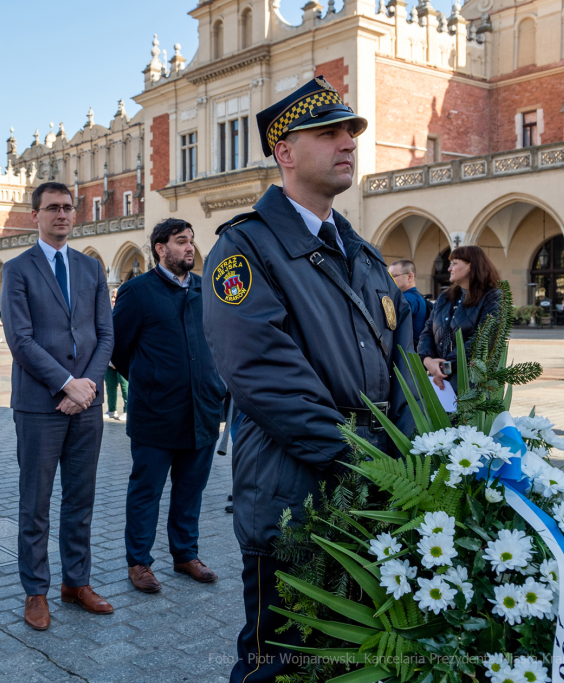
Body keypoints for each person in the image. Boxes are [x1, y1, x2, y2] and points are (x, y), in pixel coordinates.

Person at [202, 77, 416, 683]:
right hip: (296, 499)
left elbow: (403, 368)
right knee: (280, 659)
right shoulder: (245, 251)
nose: (348, 142)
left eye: (351, 131)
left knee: (349, 660)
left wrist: (405, 463)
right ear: (286, 152)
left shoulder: (365, 255)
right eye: (328, 132)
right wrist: (372, 465)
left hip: (372, 493)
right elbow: (264, 375)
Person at [1, 181, 114, 632]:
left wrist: (85, 388)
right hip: (39, 405)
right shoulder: (18, 269)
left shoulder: (91, 267)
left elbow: (106, 333)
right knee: (36, 503)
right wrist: (66, 384)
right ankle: (35, 591)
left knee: (81, 498)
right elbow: (20, 339)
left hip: (86, 404)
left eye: (68, 208)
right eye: (52, 208)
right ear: (36, 216)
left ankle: (76, 582)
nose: (62, 215)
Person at [112, 218, 227, 594]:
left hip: (203, 410)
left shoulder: (205, 289)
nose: (190, 247)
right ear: (161, 249)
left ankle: (185, 555)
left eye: (192, 241)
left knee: (190, 489)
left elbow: (218, 340)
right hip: (156, 413)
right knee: (146, 491)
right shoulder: (137, 291)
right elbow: (119, 349)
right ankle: (139, 563)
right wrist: (153, 377)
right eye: (181, 241)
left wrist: (215, 385)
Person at [418, 245, 503, 391]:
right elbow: (427, 332)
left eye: (454, 263)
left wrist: (444, 367)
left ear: (472, 266)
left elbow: (483, 340)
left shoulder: (492, 297)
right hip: (441, 381)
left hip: (473, 383)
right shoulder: (445, 297)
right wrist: (427, 360)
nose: (449, 268)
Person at [388, 259, 429, 346]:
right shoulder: (416, 297)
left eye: (393, 276)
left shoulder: (408, 298)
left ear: (409, 277)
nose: (388, 280)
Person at [103, 288, 128, 421]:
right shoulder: (106, 313)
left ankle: (127, 410)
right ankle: (111, 410)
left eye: (116, 297)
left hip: (122, 357)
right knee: (110, 385)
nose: (113, 299)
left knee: (125, 386)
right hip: (108, 358)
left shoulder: (126, 312)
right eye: (112, 297)